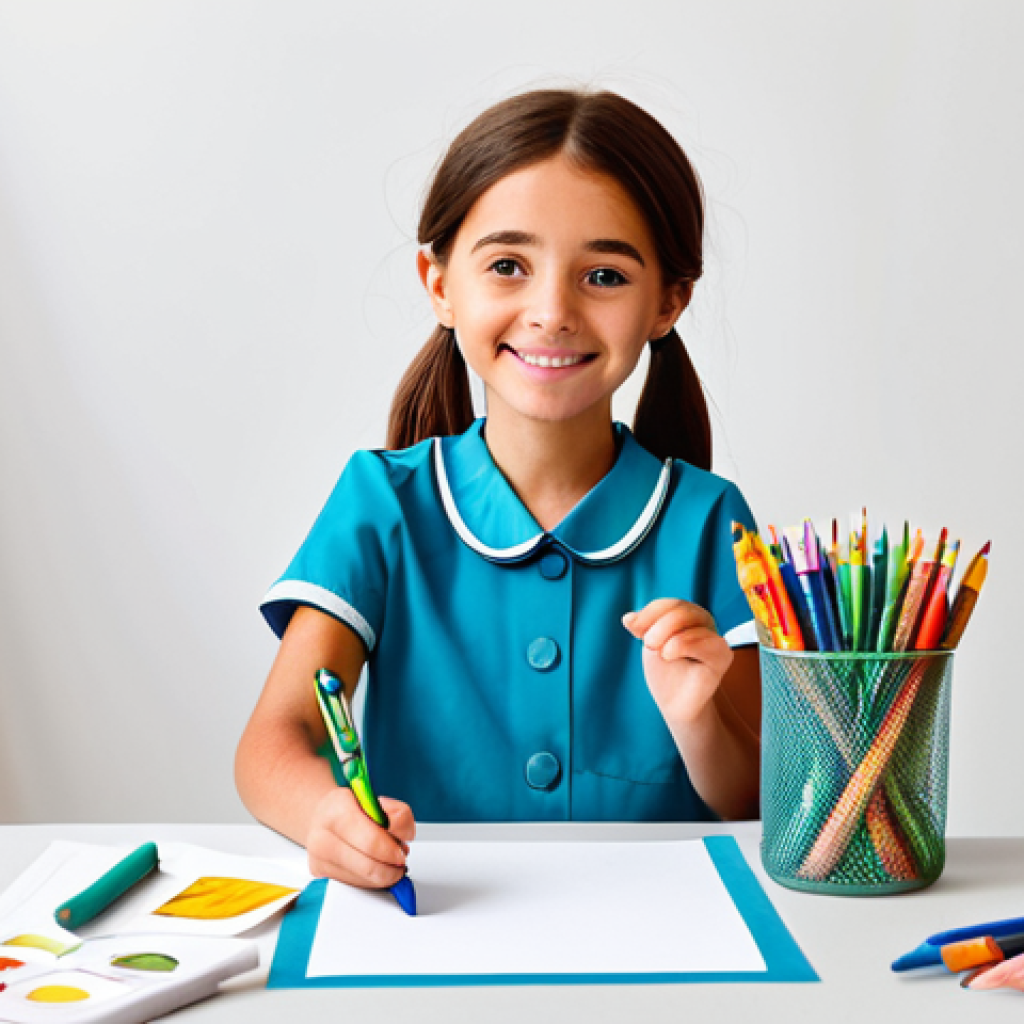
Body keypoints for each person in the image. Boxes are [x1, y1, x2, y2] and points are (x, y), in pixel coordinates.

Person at [235, 88, 761, 895]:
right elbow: (275, 743)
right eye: (509, 266)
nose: (551, 312)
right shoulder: (383, 503)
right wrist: (324, 817)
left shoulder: (710, 520)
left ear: (669, 301)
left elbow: (757, 799)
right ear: (440, 283)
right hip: (433, 933)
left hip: (655, 945)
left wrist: (699, 723)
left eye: (604, 274)